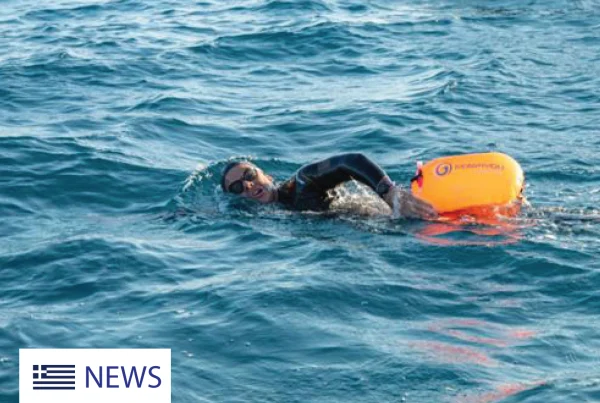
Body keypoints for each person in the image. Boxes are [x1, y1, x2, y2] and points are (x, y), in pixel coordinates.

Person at [220, 153, 438, 219]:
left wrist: (390, 194)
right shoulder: (260, 220)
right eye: (238, 188)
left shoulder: (301, 184)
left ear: (267, 176)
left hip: (394, 217)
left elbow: (350, 161)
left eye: (250, 175)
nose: (248, 185)